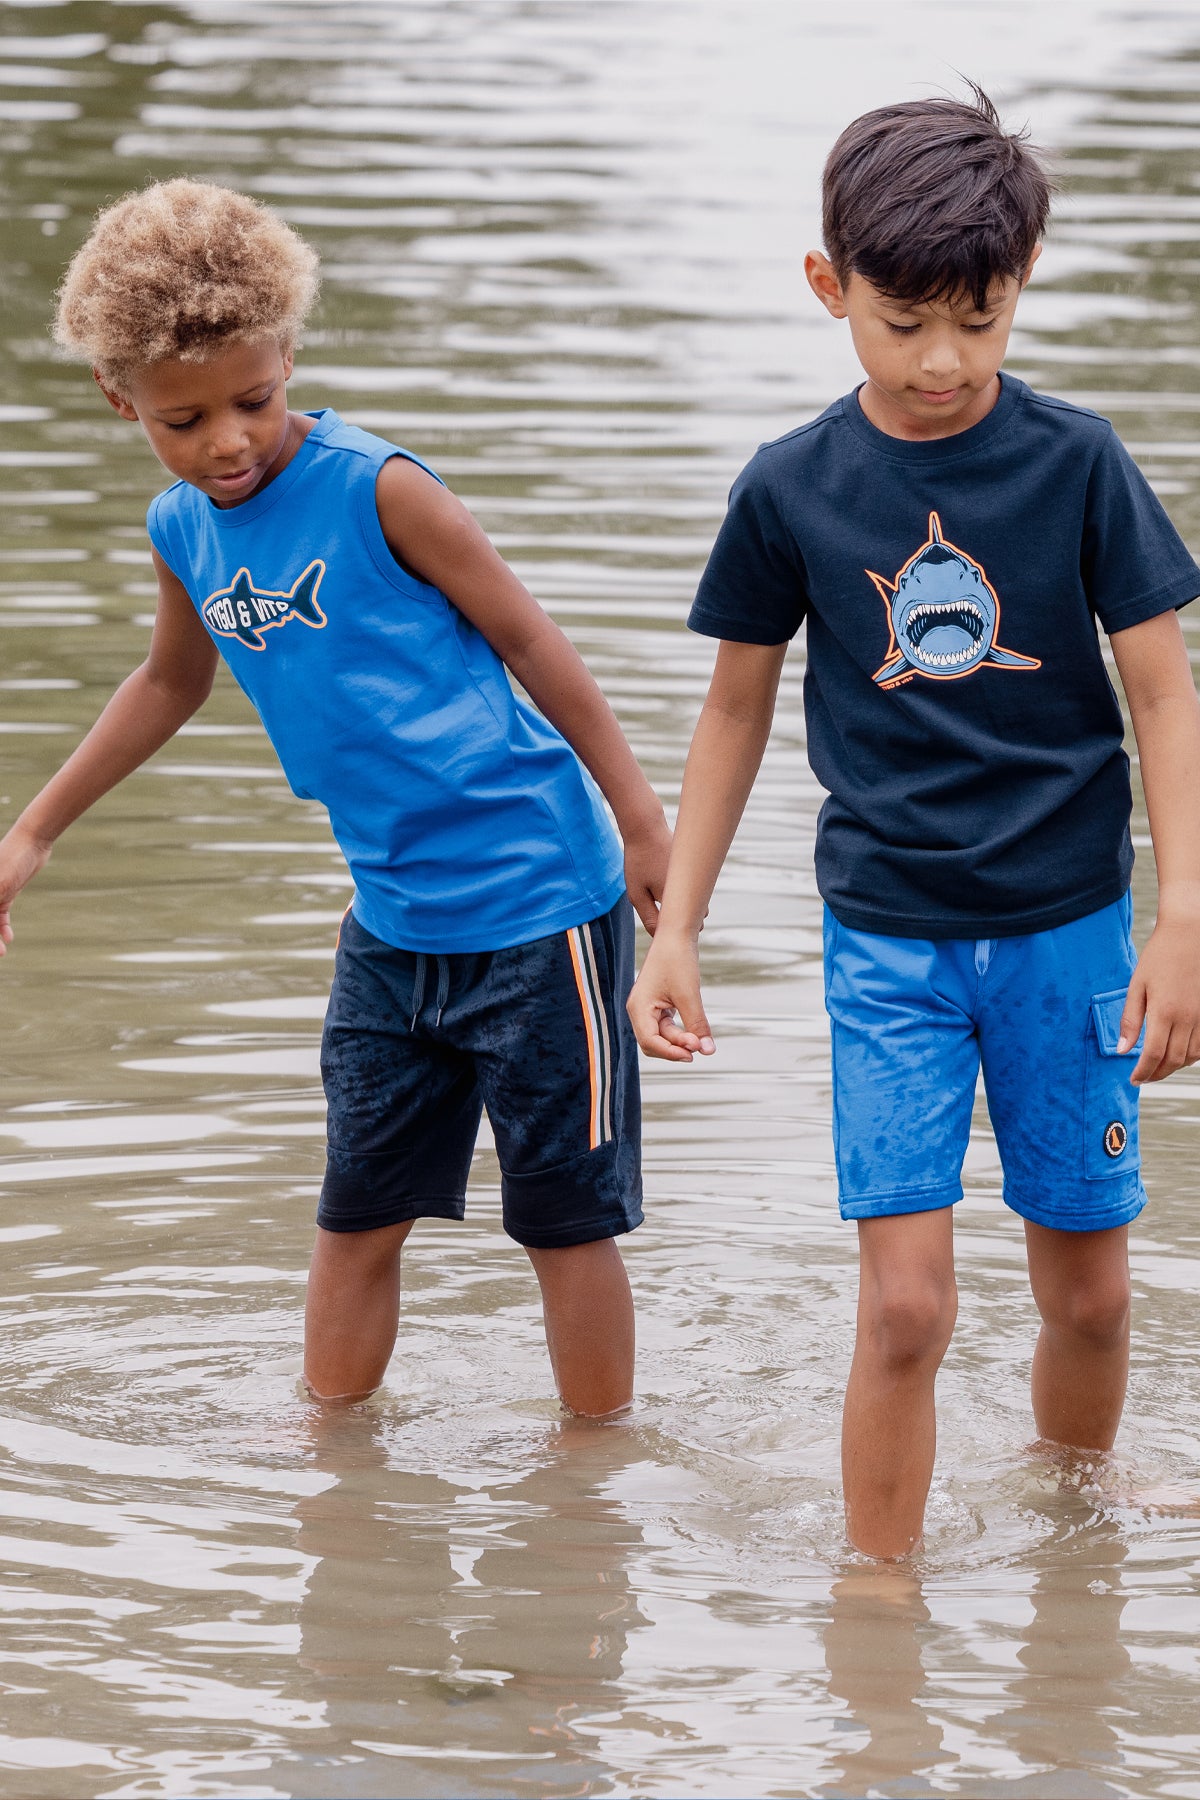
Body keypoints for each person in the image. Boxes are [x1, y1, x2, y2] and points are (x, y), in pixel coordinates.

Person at [627, 87, 1200, 1557]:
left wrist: (1182, 922)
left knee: (1093, 1294)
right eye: (904, 323)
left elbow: (1165, 698)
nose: (945, 361)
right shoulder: (792, 488)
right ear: (831, 290)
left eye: (982, 319)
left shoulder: (1078, 465)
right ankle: (877, 1606)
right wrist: (675, 928)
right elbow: (735, 711)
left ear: (1019, 292)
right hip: (887, 942)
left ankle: (1078, 1535)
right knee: (906, 1304)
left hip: (1072, 933)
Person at [0, 178, 670, 1418]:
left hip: (538, 908)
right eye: (183, 419)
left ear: (289, 356)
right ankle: (328, 1476)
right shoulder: (180, 530)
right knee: (357, 1212)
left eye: (252, 401)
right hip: (393, 925)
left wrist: (636, 810)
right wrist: (31, 831)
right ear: (120, 401)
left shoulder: (380, 489)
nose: (229, 442)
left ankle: (595, 1488)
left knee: (562, 1225)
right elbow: (168, 680)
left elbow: (529, 635)